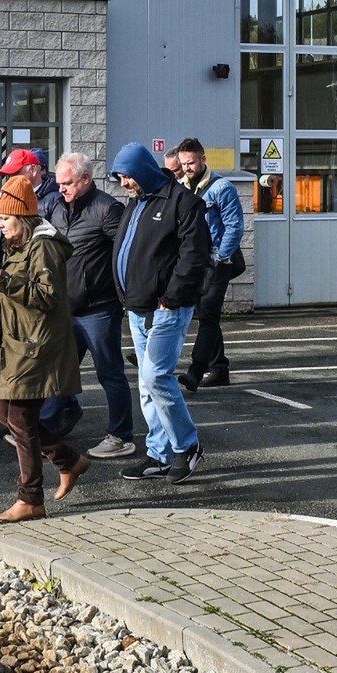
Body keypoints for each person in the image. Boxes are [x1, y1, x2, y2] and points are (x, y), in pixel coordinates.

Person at [0, 173, 87, 520]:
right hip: (21, 343)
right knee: (7, 415)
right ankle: (69, 461)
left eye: (4, 219)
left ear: (24, 218)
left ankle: (30, 500)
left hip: (37, 346)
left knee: (20, 419)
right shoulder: (24, 244)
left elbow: (48, 296)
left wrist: (5, 282)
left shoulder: (43, 246)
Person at [107, 142, 209, 483]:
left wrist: (171, 298)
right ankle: (160, 453)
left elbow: (194, 255)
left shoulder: (183, 202)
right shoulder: (136, 203)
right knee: (145, 384)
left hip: (167, 308)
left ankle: (187, 445)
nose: (123, 184)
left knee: (155, 377)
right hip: (136, 308)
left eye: (126, 176)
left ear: (142, 171)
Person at [50, 152, 135, 461]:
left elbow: (127, 254)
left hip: (99, 308)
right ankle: (51, 422)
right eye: (59, 183)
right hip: (66, 309)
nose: (61, 188)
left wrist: (126, 296)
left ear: (86, 179)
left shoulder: (107, 209)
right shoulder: (58, 208)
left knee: (109, 372)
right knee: (59, 371)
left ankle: (121, 436)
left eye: (67, 183)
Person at [176, 138, 245, 393]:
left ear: (203, 159)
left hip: (217, 262)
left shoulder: (221, 188)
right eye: (183, 163)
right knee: (205, 315)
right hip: (194, 261)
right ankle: (219, 367)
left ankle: (196, 371)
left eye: (191, 162)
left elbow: (235, 226)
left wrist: (218, 258)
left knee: (208, 314)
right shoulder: (182, 186)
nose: (187, 168)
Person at [0, 147, 61, 216]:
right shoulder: (8, 198)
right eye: (9, 175)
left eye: (16, 173)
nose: (11, 179)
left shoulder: (56, 200)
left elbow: (60, 226)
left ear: (33, 169)